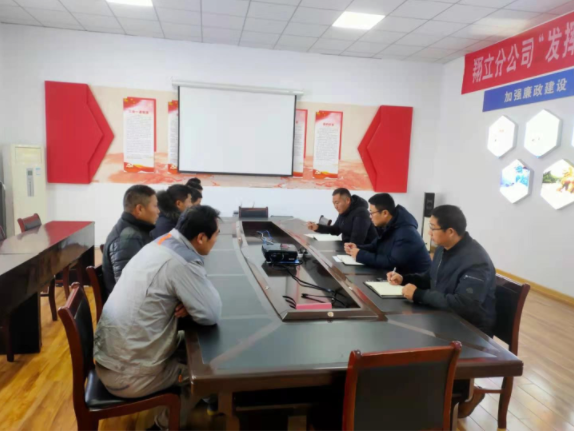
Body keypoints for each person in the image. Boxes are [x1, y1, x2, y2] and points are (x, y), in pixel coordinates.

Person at [94, 205, 223, 431]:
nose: (217, 241)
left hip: (112, 358)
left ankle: (213, 400)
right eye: (216, 235)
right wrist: (192, 301)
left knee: (192, 347)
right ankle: (164, 425)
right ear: (201, 237)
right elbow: (211, 314)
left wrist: (188, 300)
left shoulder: (160, 243)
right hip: (128, 376)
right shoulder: (181, 262)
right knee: (203, 377)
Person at [388, 205, 496, 336]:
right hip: (443, 317)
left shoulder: (477, 261)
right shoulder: (443, 248)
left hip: (470, 330)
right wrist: (404, 279)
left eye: (433, 228)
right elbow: (430, 278)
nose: (429, 233)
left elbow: (464, 305)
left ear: (450, 232)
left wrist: (418, 294)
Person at [344, 193, 431, 274]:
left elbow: (392, 263)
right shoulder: (390, 225)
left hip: (414, 281)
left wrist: (360, 255)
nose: (370, 217)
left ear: (385, 213)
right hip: (397, 278)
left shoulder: (406, 232)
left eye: (372, 213)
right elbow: (376, 246)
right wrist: (357, 247)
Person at [102, 185, 159, 299]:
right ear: (140, 209)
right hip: (131, 307)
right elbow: (129, 290)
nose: (158, 211)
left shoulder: (136, 231)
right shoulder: (127, 239)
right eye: (155, 206)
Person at [307, 188, 377, 244]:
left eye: (337, 203)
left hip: (365, 252)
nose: (335, 206)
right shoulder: (344, 211)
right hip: (348, 248)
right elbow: (336, 230)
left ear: (347, 200)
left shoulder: (361, 213)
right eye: (334, 203)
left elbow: (356, 241)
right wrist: (317, 227)